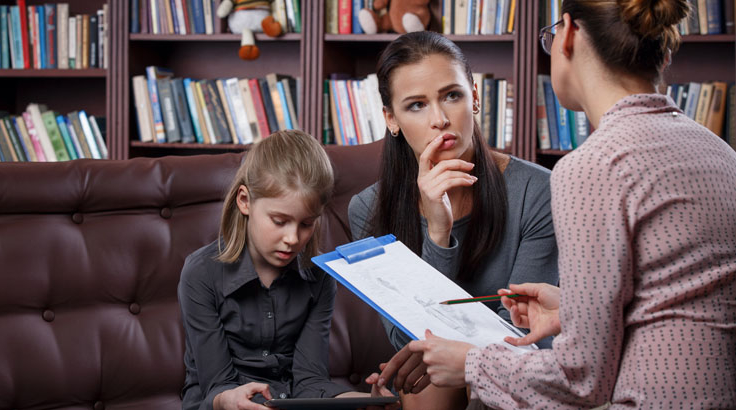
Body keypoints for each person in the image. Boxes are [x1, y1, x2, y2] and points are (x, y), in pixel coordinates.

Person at [377, 0, 736, 408]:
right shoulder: (720, 152)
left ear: (568, 34)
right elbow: (675, 305)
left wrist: (472, 363)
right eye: (417, 105)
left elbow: (580, 379)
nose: (439, 119)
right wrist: (571, 309)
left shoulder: (591, 168)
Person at [348, 31, 559, 408]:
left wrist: (457, 353)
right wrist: (438, 232)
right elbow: (404, 336)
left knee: (435, 369)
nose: (440, 120)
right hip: (437, 376)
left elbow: (526, 331)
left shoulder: (537, 191)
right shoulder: (368, 207)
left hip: (515, 369)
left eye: (452, 96)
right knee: (429, 380)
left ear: (475, 97)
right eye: (416, 105)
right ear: (391, 119)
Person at [178, 130, 395, 410]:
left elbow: (310, 381)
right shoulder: (201, 274)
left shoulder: (319, 277)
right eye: (279, 221)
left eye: (306, 224)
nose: (293, 239)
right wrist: (227, 400)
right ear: (245, 201)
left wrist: (363, 402)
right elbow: (217, 386)